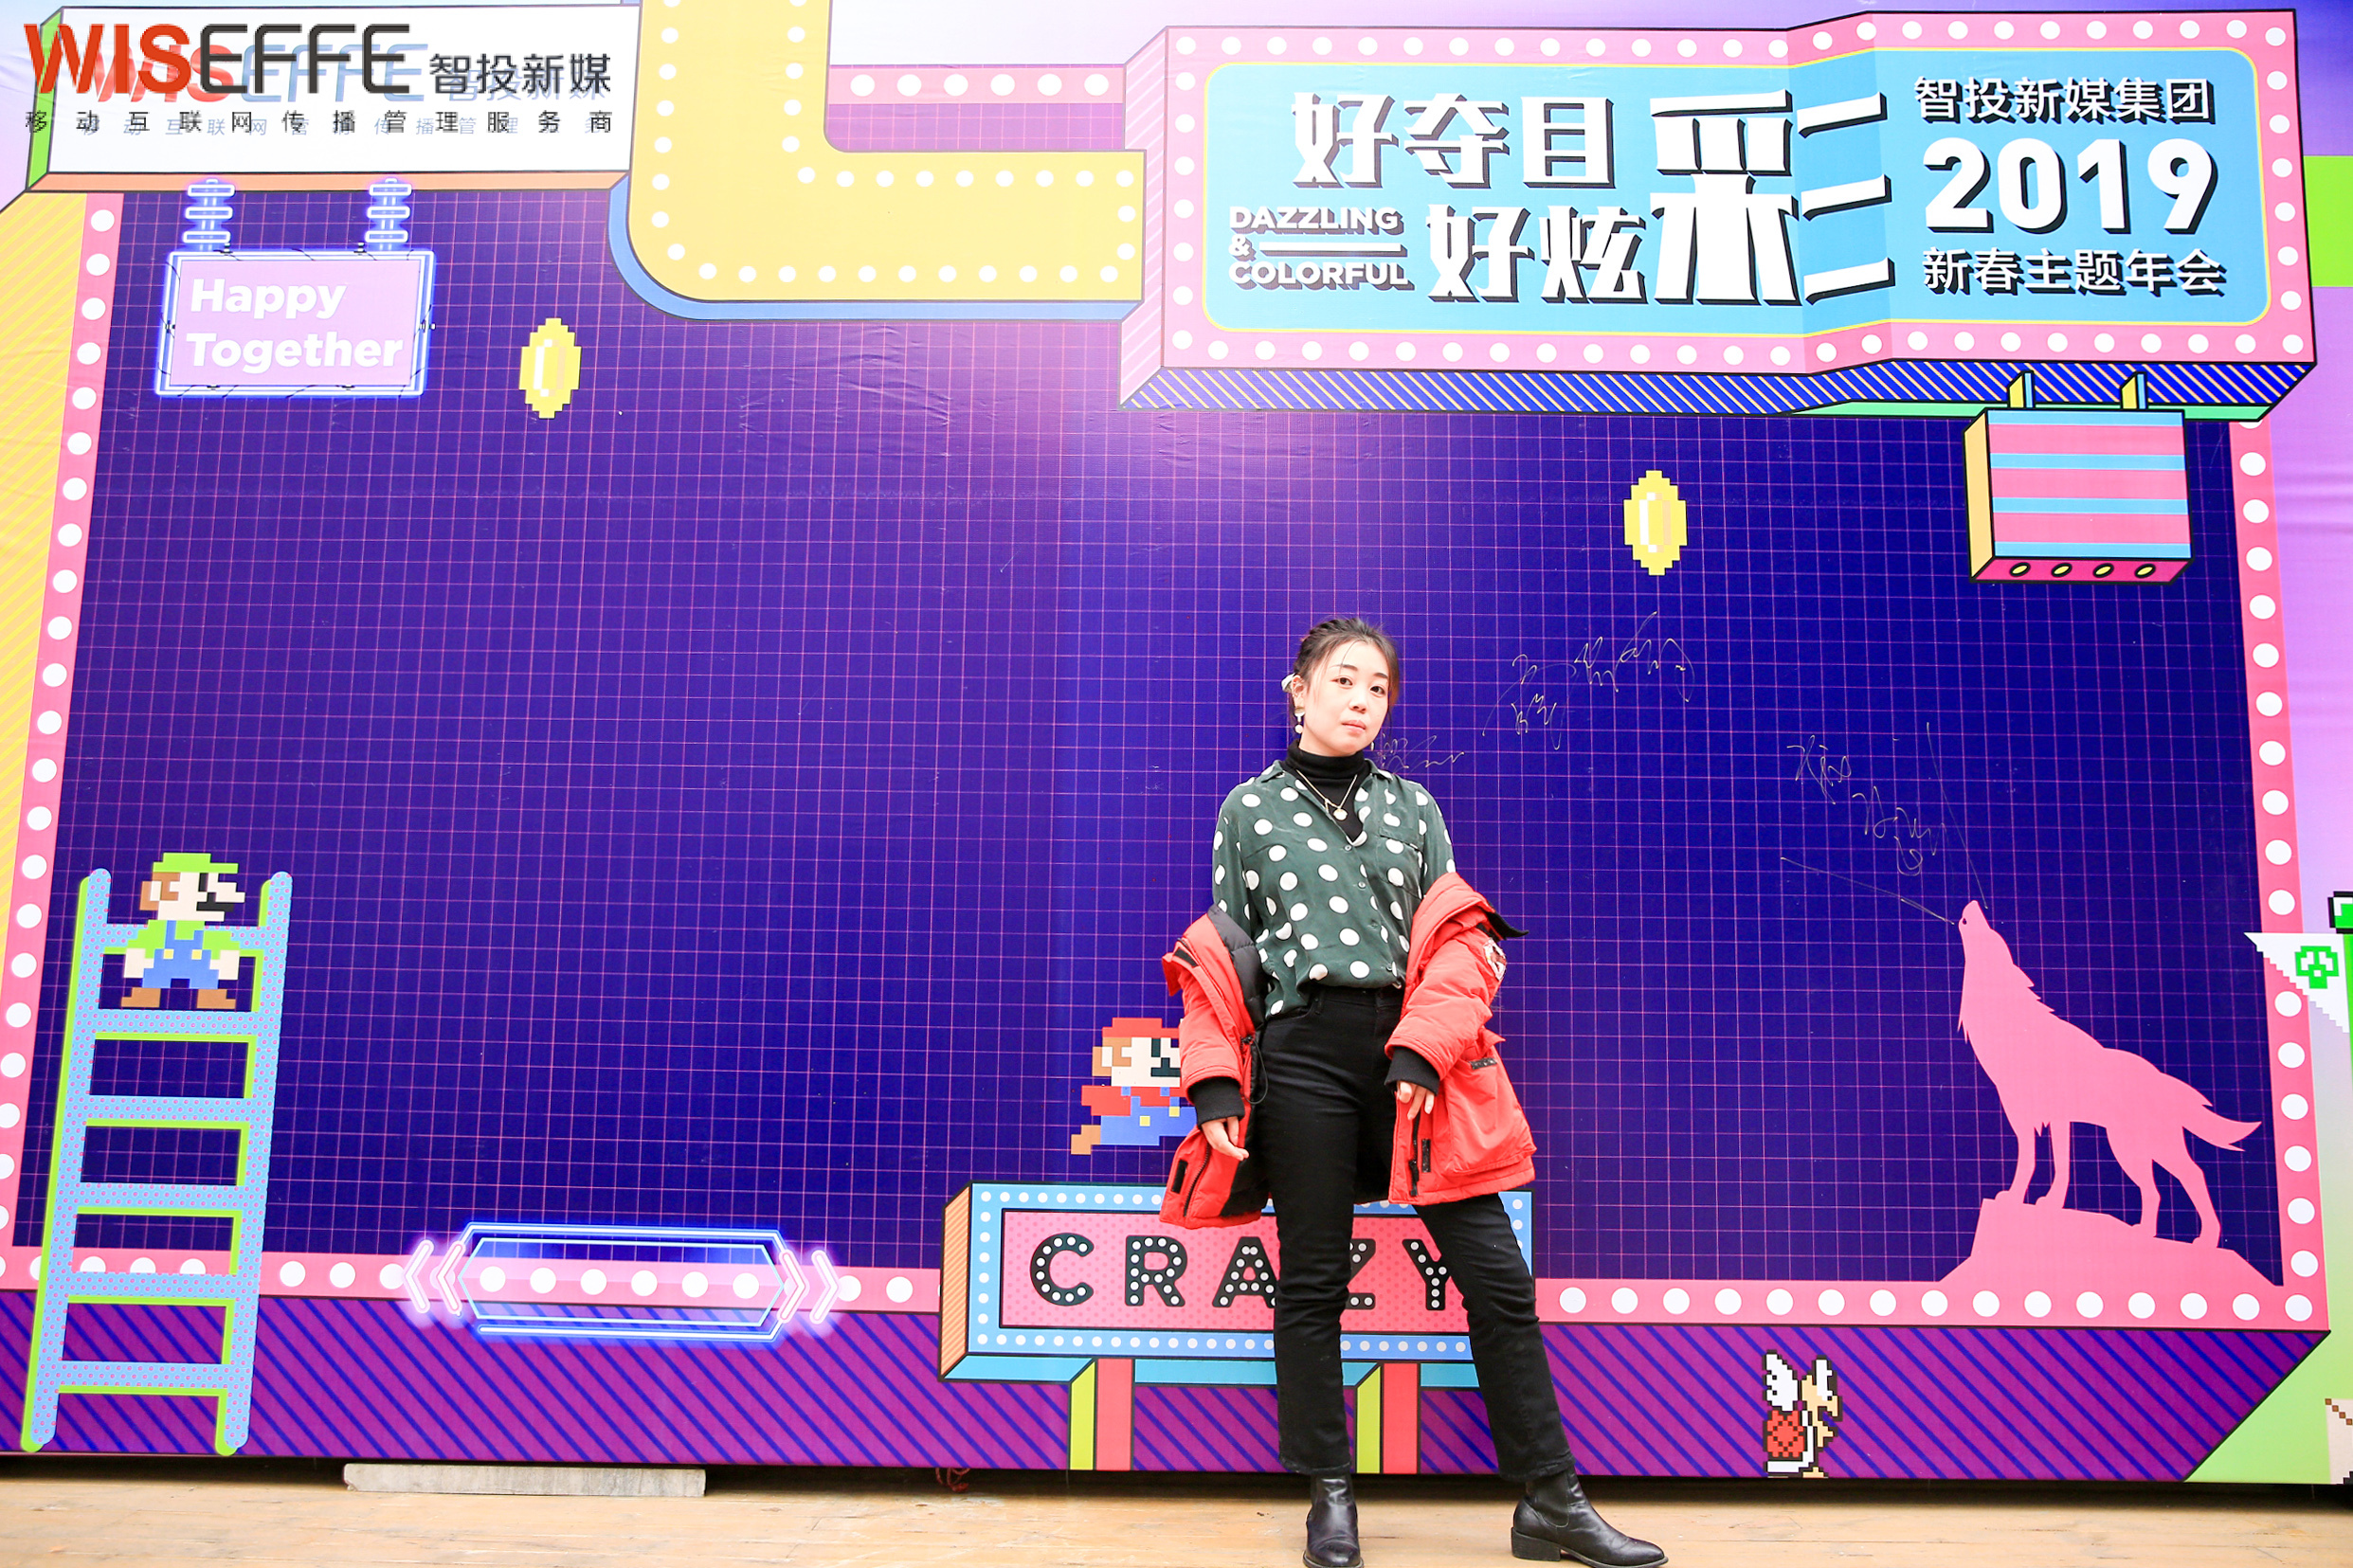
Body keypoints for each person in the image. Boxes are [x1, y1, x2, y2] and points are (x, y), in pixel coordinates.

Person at [1183, 619, 1664, 1568]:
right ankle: (1329, 1501)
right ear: (1297, 690)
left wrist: (1420, 1051)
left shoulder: (1413, 807)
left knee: (1497, 1280)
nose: (1361, 699)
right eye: (1343, 680)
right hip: (1303, 1054)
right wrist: (1213, 1085)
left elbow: (1454, 943)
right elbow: (1223, 960)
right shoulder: (1249, 808)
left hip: (1415, 1059)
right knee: (1311, 1280)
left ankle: (1550, 1500)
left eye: (1377, 687)